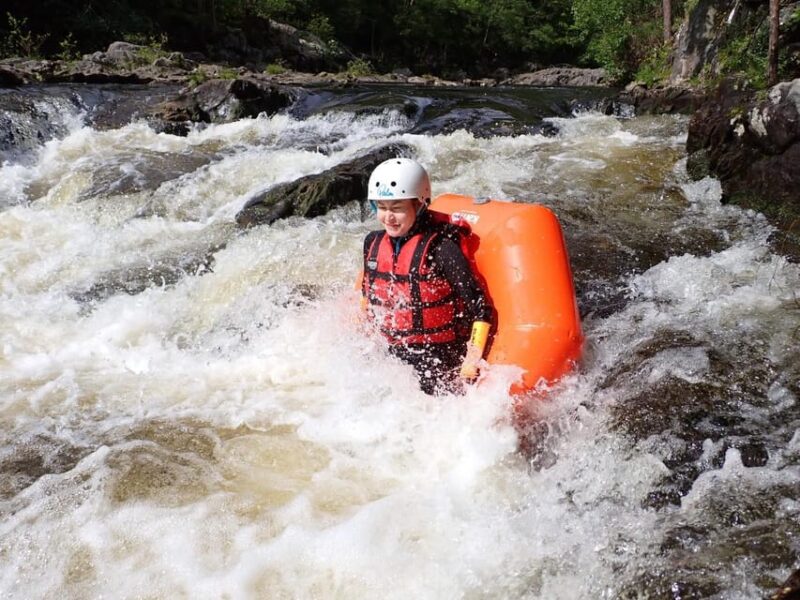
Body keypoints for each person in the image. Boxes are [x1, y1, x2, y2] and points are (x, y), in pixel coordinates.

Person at [360, 158, 494, 395]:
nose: (388, 217)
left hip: (435, 358)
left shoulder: (441, 249)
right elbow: (368, 297)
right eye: (382, 207)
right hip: (390, 355)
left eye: (397, 208)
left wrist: (471, 361)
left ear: (420, 205)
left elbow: (480, 308)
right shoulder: (372, 242)